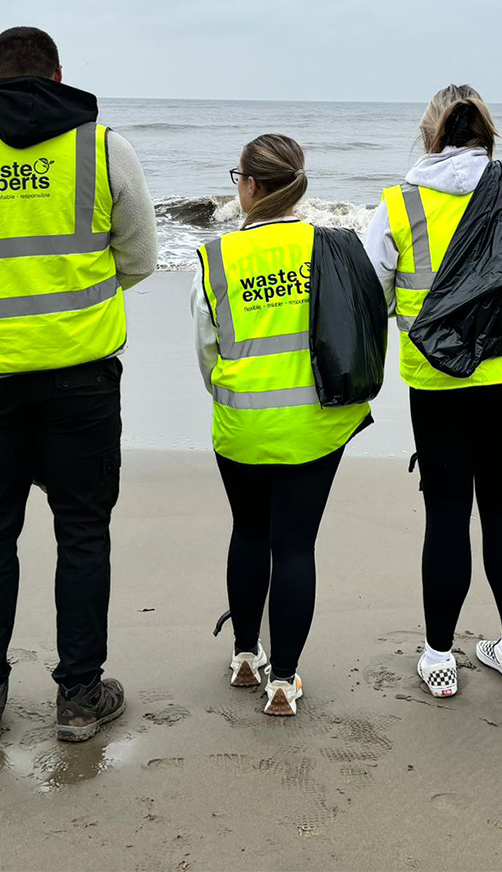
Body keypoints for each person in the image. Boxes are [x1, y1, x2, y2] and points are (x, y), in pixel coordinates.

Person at [0, 27, 158, 744]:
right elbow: (138, 256)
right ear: (57, 74)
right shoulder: (102, 146)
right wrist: (74, 295)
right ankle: (79, 696)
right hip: (82, 371)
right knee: (82, 532)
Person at [364, 86, 502, 699]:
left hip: (439, 380)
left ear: (430, 132)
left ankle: (439, 656)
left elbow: (373, 291)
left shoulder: (400, 202)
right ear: (488, 129)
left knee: (447, 513)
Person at [193, 135, 372, 718]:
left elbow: (206, 347)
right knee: (295, 547)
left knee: (248, 533)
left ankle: (246, 656)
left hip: (242, 424)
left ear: (248, 185)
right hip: (315, 427)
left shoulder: (217, 257)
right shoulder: (332, 248)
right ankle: (284, 682)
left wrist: (235, 397)